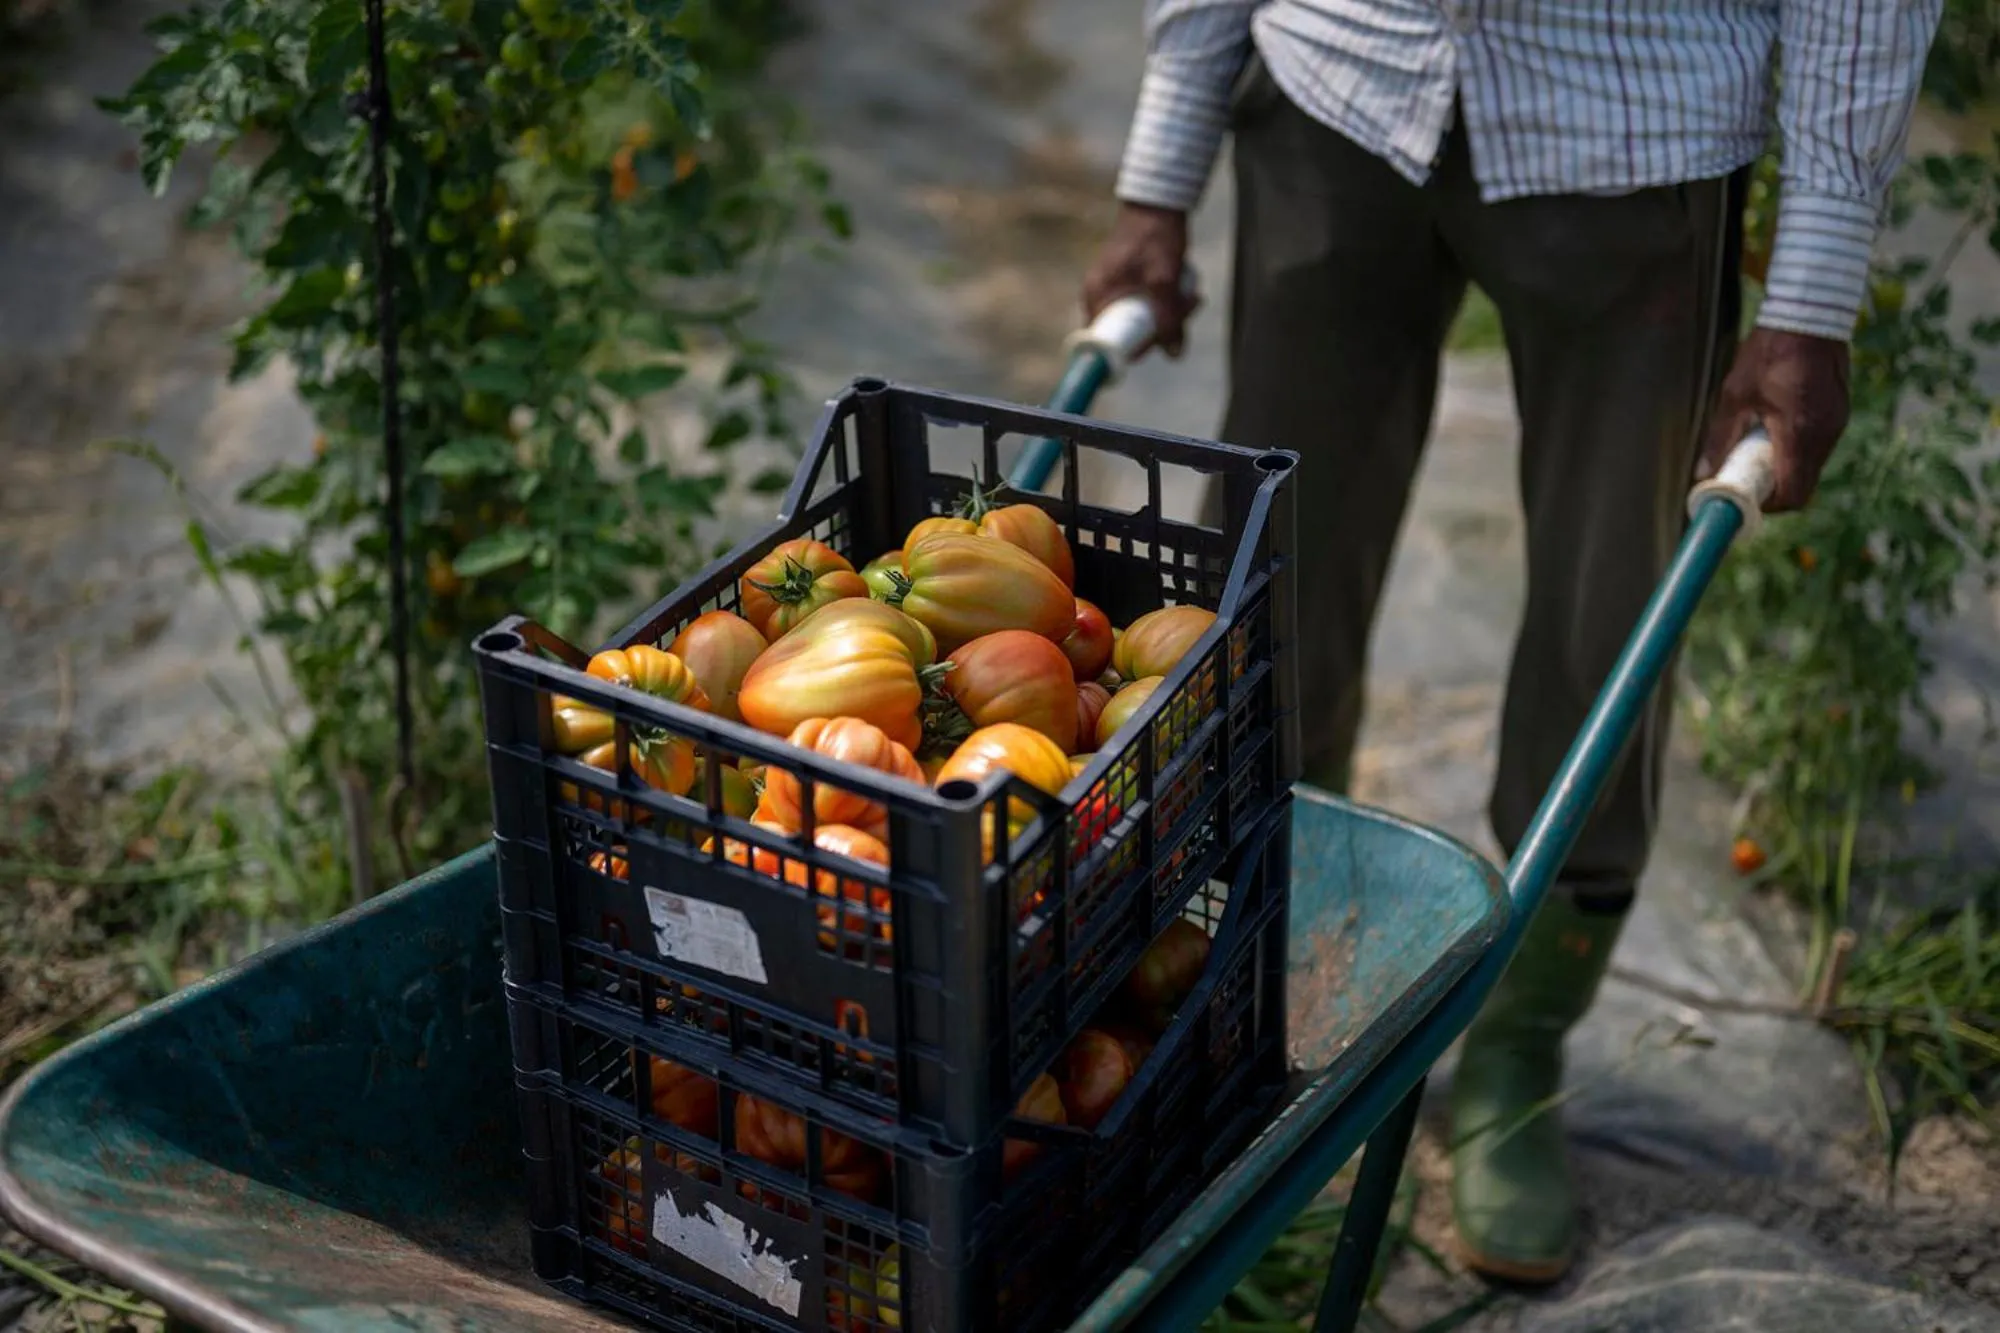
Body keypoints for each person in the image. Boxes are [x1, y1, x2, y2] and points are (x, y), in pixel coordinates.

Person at [1083, 0, 1942, 1286]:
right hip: (1337, 86)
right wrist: (1159, 172)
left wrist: (1808, 291)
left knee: (1610, 605)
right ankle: (1252, 978)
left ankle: (1515, 1051)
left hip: (1631, 128)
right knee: (1268, 581)